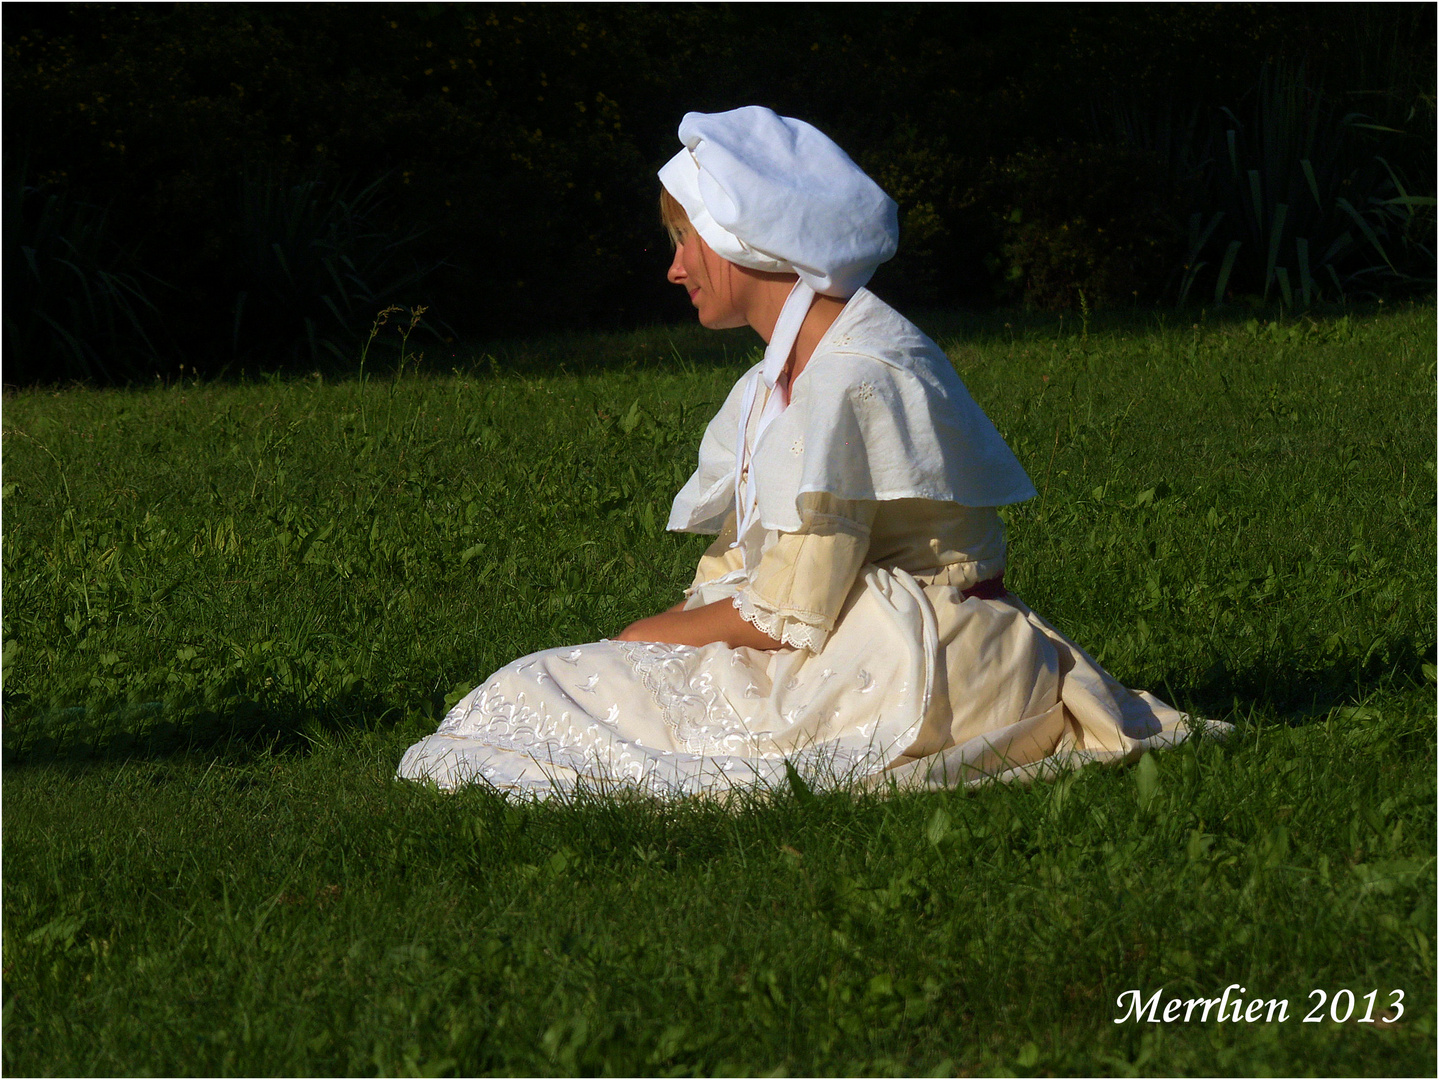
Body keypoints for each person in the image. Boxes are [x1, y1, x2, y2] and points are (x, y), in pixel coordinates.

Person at [397, 106, 1212, 797]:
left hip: (922, 661)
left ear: (743, 240)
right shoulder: (777, 379)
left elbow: (789, 614)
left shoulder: (851, 378)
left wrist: (638, 638)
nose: (674, 268)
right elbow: (748, 573)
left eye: (684, 239)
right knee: (565, 688)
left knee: (555, 686)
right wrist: (662, 639)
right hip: (856, 636)